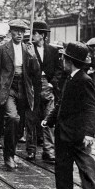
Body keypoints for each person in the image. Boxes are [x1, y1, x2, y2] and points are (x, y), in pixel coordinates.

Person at [42, 42, 95, 189]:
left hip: (78, 136)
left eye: (63, 58)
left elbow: (93, 108)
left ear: (70, 61)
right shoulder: (68, 78)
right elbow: (61, 103)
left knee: (87, 170)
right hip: (63, 134)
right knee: (62, 168)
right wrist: (49, 120)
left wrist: (89, 133)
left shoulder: (84, 80)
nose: (61, 60)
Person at [0, 19, 41, 170]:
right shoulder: (2, 49)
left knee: (19, 126)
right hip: (7, 89)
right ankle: (9, 156)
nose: (19, 34)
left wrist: (33, 57)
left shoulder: (28, 49)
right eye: (16, 31)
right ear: (10, 32)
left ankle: (11, 149)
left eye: (22, 31)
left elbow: (35, 73)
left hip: (24, 89)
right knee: (12, 118)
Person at [30, 21, 62, 163]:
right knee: (32, 119)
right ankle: (31, 150)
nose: (32, 36)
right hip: (33, 88)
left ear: (42, 35)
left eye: (34, 33)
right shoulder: (28, 50)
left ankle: (49, 151)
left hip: (48, 88)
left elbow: (59, 70)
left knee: (48, 119)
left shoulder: (53, 51)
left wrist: (52, 82)